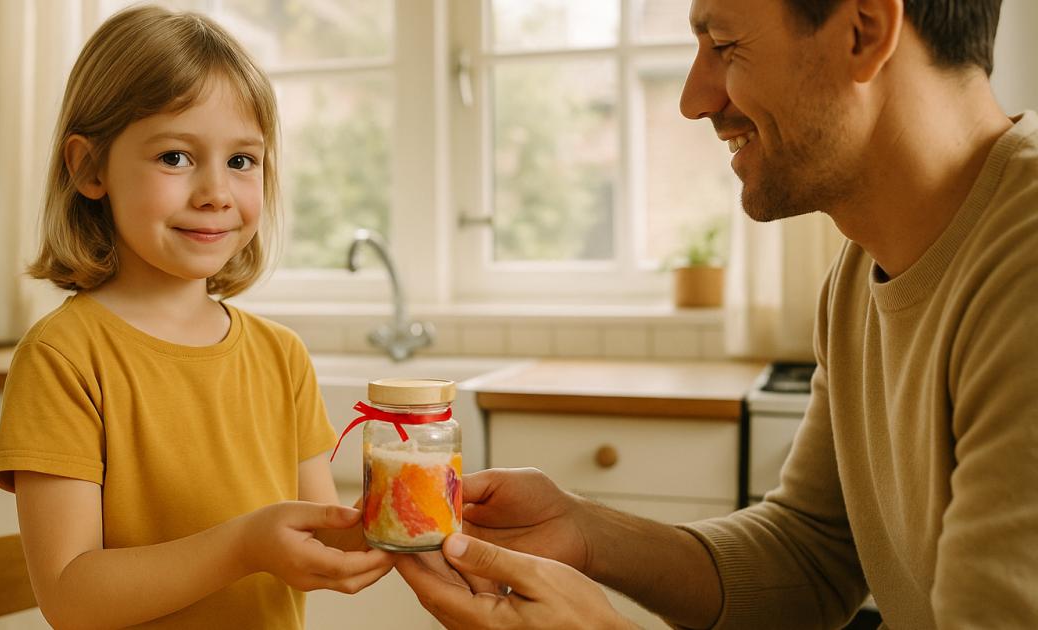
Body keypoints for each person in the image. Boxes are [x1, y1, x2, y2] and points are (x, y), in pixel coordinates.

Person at [397, 0, 1038, 628]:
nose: (693, 99)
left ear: (864, 32)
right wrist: (585, 531)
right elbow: (808, 552)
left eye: (725, 45)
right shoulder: (860, 270)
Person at [0, 6, 393, 628]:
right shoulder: (63, 358)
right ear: (88, 168)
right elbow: (71, 597)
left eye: (241, 161)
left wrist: (393, 516)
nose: (216, 192)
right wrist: (244, 545)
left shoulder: (281, 355)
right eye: (176, 157)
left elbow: (317, 542)